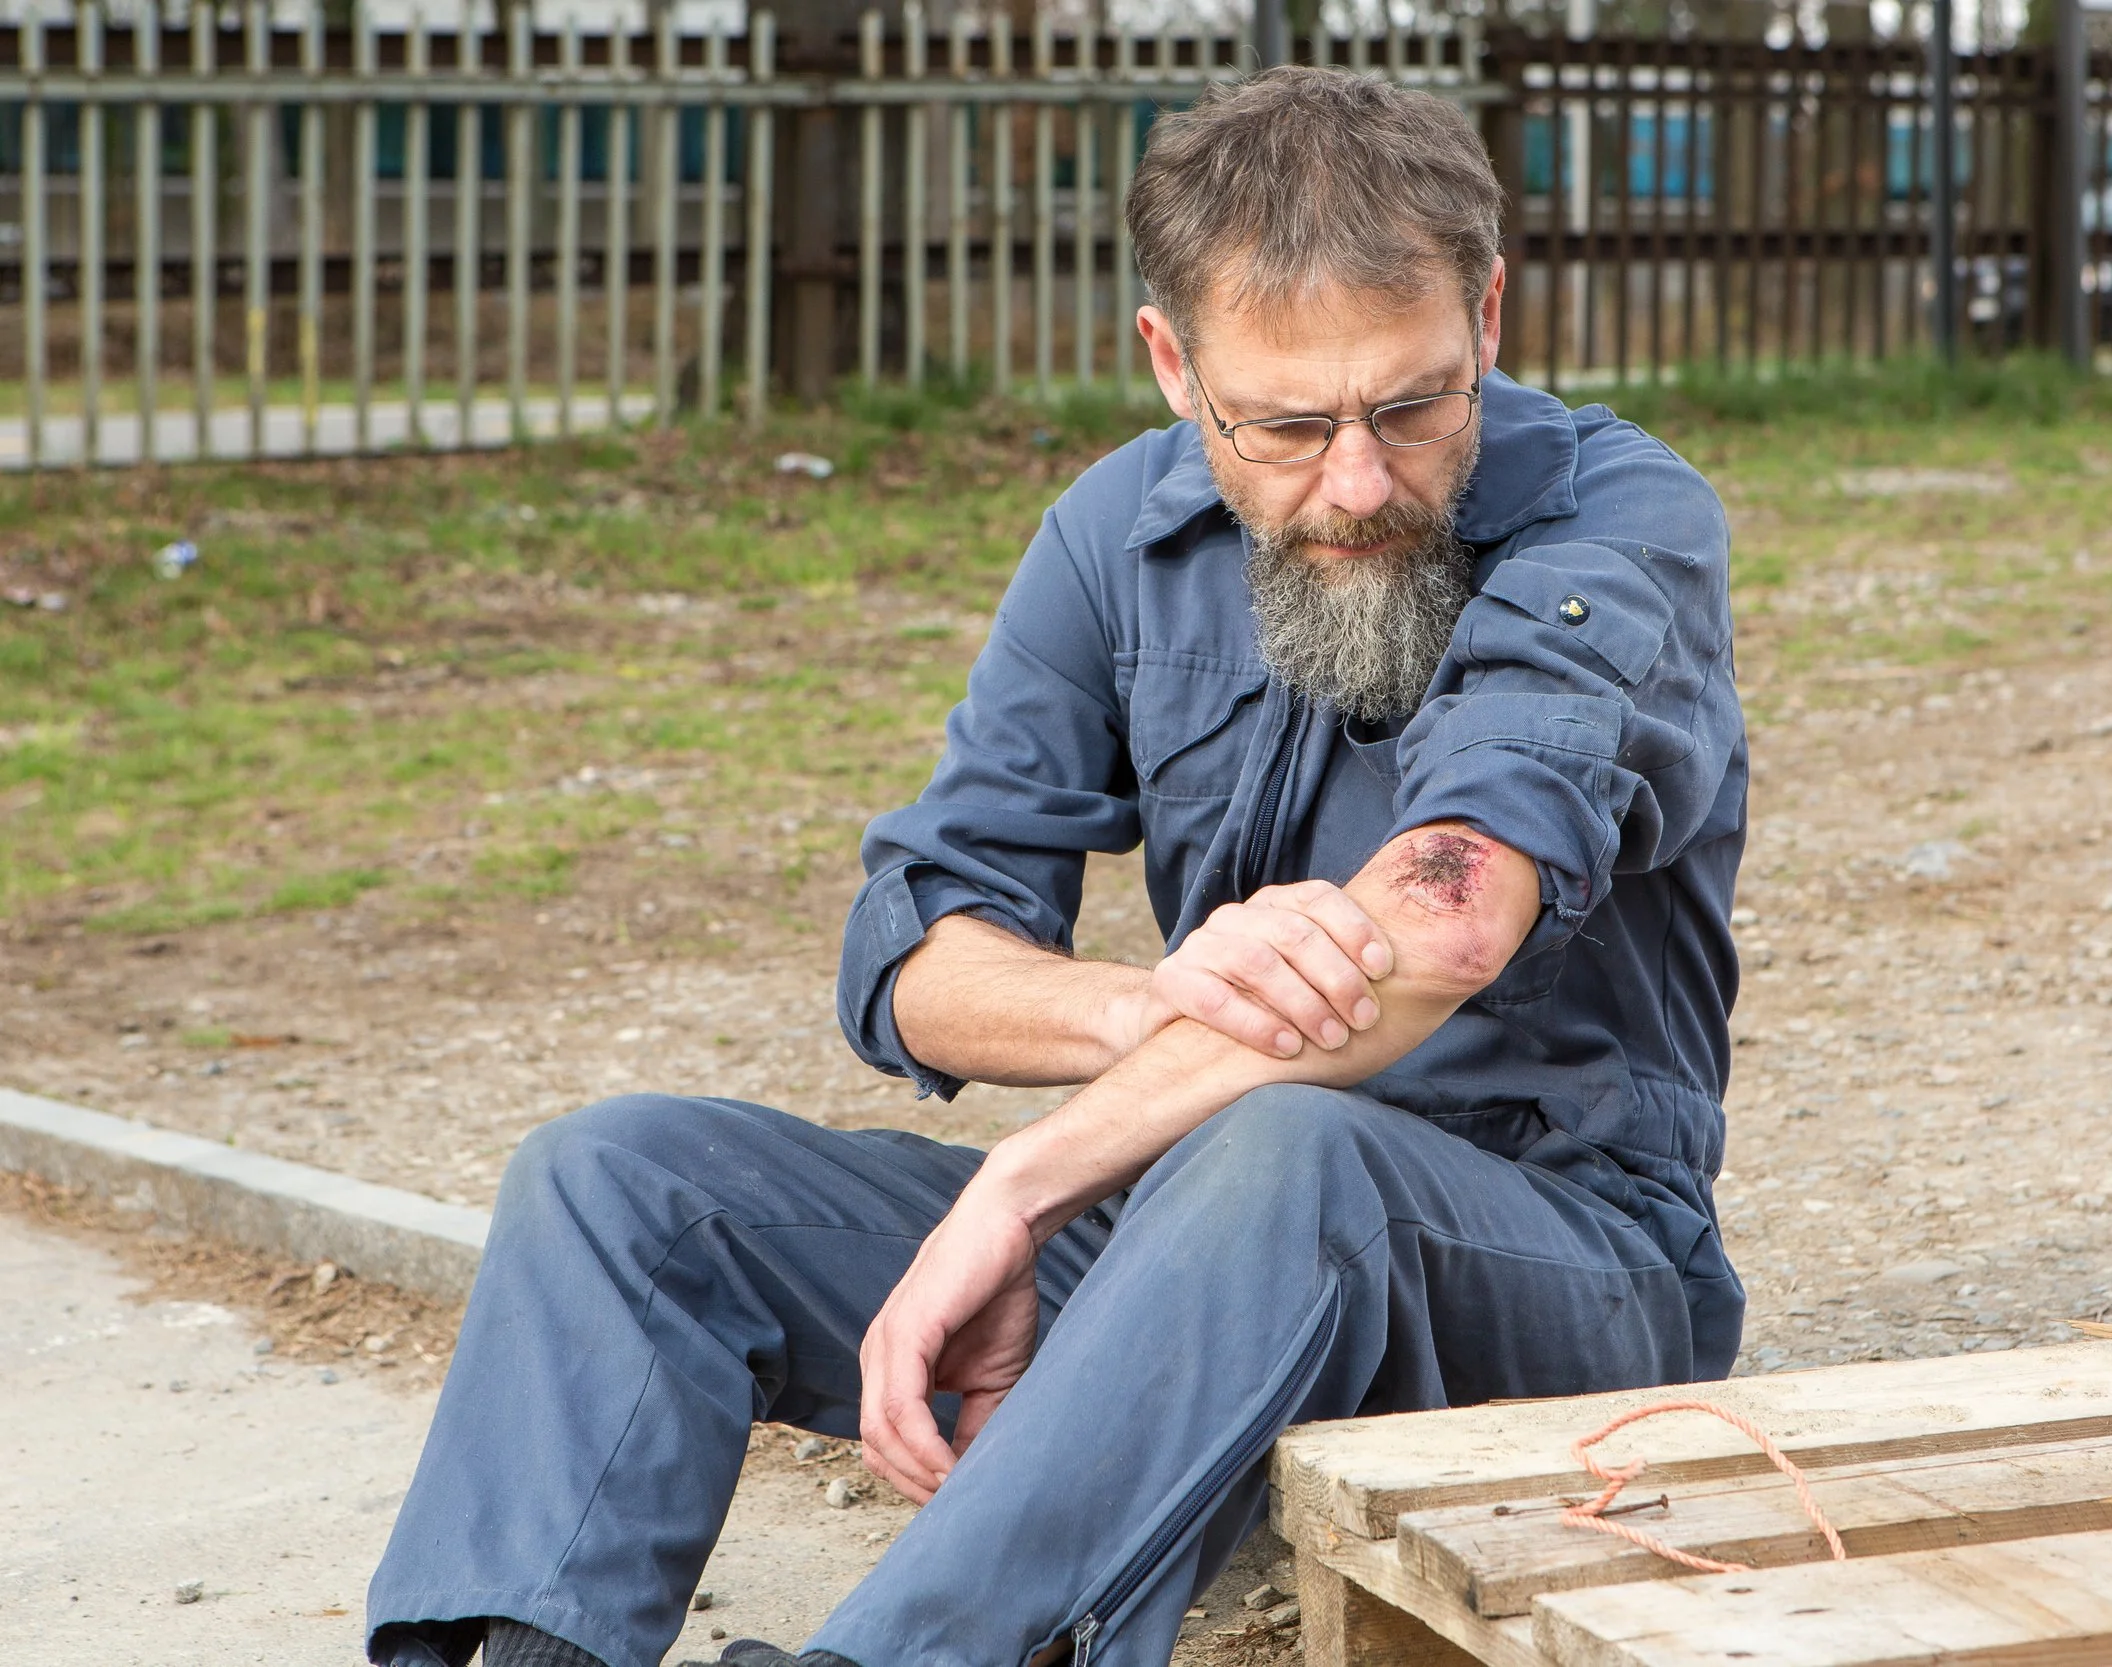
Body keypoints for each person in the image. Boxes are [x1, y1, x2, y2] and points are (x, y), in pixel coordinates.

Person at [366, 64, 1747, 1667]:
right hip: (1177, 1237)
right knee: (621, 1181)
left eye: (1411, 405)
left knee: (1289, 1146)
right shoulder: (1111, 537)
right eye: (1289, 425)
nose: (1358, 480)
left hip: (1559, 1270)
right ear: (1173, 362)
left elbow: (1449, 915)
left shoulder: (1623, 519)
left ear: (1489, 318)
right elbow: (918, 947)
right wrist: (1145, 1011)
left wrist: (1029, 1179)